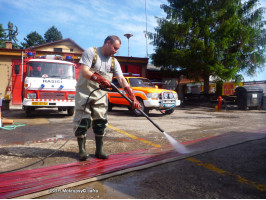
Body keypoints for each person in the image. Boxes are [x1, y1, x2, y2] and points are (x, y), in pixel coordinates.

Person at [73, 35, 141, 161]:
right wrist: (99, 78)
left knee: (100, 121)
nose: (116, 51)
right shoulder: (91, 53)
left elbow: (121, 79)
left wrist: (132, 97)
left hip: (100, 96)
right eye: (115, 48)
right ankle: (82, 150)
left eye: (117, 49)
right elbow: (84, 71)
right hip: (84, 93)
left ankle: (99, 150)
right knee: (83, 121)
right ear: (108, 43)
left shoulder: (113, 61)